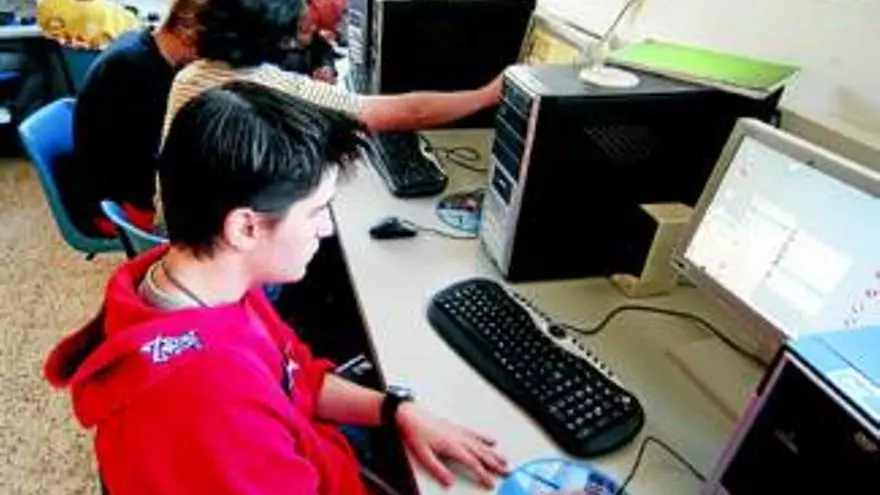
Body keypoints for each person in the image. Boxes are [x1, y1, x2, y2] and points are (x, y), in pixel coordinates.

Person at [44, 81, 508, 494]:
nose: (326, 228)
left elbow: (296, 377)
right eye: (316, 211)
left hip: (315, 451)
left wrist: (396, 410)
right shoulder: (207, 402)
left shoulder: (211, 282)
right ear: (245, 227)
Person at [162, 0, 501, 140]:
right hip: (230, 259)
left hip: (183, 240)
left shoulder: (189, 76)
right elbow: (411, 112)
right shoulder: (273, 88)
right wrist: (485, 95)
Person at [68, 0, 206, 236]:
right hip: (112, 208)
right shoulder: (131, 68)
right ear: (188, 32)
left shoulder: (144, 47)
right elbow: (135, 167)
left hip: (118, 186)